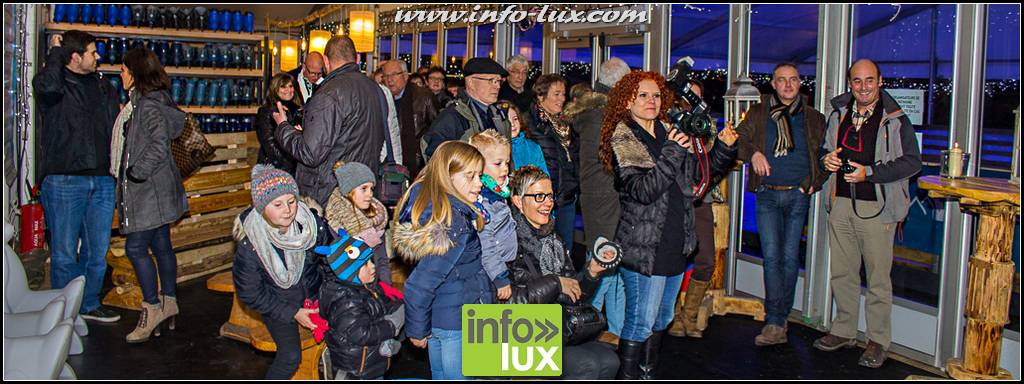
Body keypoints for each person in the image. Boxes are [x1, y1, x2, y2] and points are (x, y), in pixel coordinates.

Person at [599, 71, 737, 379]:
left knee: (662, 319)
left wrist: (724, 150)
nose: (651, 101)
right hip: (644, 246)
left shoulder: (668, 131)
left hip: (675, 241)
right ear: (627, 100)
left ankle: (647, 372)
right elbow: (644, 190)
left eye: (657, 95)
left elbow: (697, 179)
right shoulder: (624, 136)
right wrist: (674, 150)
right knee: (640, 321)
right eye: (643, 95)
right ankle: (629, 376)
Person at [814, 59, 921, 369]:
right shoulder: (839, 113)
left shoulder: (896, 118)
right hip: (841, 203)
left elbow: (912, 162)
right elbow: (824, 150)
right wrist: (827, 161)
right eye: (857, 81)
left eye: (869, 80)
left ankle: (877, 340)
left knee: (877, 279)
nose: (863, 87)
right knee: (842, 273)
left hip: (878, 208)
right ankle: (844, 330)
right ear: (850, 83)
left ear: (880, 80)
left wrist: (869, 173)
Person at [730, 63, 828, 345]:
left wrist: (813, 182)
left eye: (793, 80)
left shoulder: (814, 118)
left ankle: (780, 316)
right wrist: (754, 153)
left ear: (800, 83)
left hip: (798, 195)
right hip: (768, 195)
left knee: (788, 258)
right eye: (781, 80)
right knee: (772, 258)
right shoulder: (759, 113)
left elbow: (825, 155)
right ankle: (775, 321)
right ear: (773, 84)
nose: (787, 85)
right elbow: (737, 140)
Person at [33, 30, 122, 323]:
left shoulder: (103, 86)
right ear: (75, 57)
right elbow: (44, 86)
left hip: (103, 179)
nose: (98, 57)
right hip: (64, 179)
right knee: (64, 253)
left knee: (97, 252)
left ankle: (89, 304)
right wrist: (56, 51)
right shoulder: (55, 86)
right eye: (92, 53)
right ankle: (63, 311)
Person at [502, 165, 620, 379]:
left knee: (609, 361)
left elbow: (575, 293)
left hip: (556, 327)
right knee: (588, 365)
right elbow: (509, 303)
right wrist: (555, 282)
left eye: (550, 196)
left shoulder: (552, 237)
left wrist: (591, 272)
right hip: (519, 334)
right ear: (518, 201)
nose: (548, 203)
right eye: (539, 196)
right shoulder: (508, 242)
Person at [392, 141, 494, 380]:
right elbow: (420, 283)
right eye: (470, 176)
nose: (479, 183)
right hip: (457, 325)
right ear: (447, 177)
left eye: (479, 175)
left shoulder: (442, 213)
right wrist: (416, 330)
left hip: (442, 321)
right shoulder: (453, 224)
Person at [111, 48, 189, 342]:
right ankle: (169, 301)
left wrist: (135, 172)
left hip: (148, 191)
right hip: (158, 191)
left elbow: (157, 145)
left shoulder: (147, 106)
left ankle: (152, 307)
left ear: (135, 73)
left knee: (135, 248)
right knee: (161, 244)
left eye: (123, 69)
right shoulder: (155, 101)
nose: (121, 75)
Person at [232, 165, 333, 379]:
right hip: (278, 303)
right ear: (261, 207)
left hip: (314, 295)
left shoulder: (312, 226)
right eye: (277, 204)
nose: (287, 210)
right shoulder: (251, 246)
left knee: (349, 327)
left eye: (291, 201)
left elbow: (328, 261)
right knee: (289, 356)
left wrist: (331, 295)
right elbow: (250, 292)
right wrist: (292, 312)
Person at [562, 57, 631, 346]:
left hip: (600, 196)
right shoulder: (603, 116)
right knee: (602, 263)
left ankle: (614, 328)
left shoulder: (594, 113)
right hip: (605, 197)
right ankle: (582, 323)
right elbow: (612, 162)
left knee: (610, 264)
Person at [274, 35, 387, 207]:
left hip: (332, 193)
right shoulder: (375, 89)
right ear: (356, 58)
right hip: (364, 189)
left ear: (326, 61)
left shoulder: (329, 94)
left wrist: (283, 127)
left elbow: (311, 154)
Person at [320, 254, 404, 380]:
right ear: (350, 270)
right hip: (356, 371)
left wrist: (402, 307)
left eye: (371, 261)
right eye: (365, 264)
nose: (373, 266)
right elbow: (361, 334)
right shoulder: (346, 300)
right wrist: (391, 325)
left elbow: (382, 307)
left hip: (369, 365)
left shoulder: (366, 288)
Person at [525, 74, 579, 255]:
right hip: (542, 198)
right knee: (543, 252)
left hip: (567, 196)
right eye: (556, 94)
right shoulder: (529, 123)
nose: (562, 99)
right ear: (541, 96)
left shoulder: (566, 123)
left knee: (565, 250)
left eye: (563, 94)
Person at [421, 57, 511, 160]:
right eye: (491, 80)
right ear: (471, 82)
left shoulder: (499, 115)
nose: (497, 86)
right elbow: (435, 156)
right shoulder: (453, 116)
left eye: (499, 81)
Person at [323, 161, 391, 285]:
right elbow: (336, 267)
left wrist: (385, 287)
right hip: (350, 291)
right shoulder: (336, 224)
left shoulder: (376, 218)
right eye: (364, 189)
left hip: (375, 286)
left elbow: (382, 260)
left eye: (371, 189)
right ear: (348, 190)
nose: (370, 194)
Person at [468, 130, 517, 302]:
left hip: (504, 264)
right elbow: (485, 241)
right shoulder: (483, 201)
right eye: (498, 163)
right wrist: (500, 276)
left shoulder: (495, 195)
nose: (505, 168)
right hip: (490, 273)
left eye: (507, 162)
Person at [381, 59, 439, 178]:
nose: (389, 79)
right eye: (386, 76)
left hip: (418, 164)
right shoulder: (381, 98)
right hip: (389, 163)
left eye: (394, 74)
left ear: (406, 76)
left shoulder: (424, 97)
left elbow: (437, 132)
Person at [256, 72, 302, 175]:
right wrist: (289, 164)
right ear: (275, 89)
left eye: (290, 86)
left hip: (294, 167)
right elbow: (269, 144)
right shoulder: (267, 111)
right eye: (283, 87)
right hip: (273, 168)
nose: (288, 90)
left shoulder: (298, 110)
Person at [505, 101, 549, 175]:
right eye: (507, 121)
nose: (512, 124)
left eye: (515, 119)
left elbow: (544, 174)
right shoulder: (496, 149)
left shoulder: (533, 147)